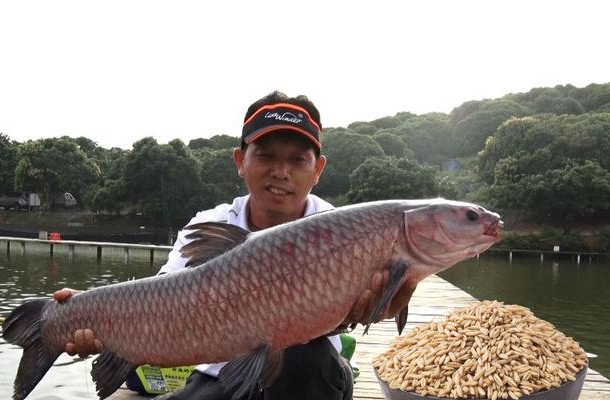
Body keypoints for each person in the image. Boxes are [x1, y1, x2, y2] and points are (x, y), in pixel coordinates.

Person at [54, 91, 397, 399]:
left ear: (318, 169)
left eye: (297, 160)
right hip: (223, 373)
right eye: (266, 156)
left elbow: (370, 303)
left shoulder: (343, 229)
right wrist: (86, 313)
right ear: (240, 161)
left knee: (305, 356)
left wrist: (382, 305)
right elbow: (158, 298)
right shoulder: (211, 224)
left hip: (309, 377)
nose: (281, 171)